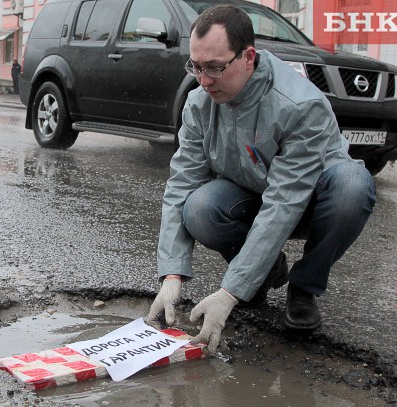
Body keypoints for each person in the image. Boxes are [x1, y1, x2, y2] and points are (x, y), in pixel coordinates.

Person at [146, 5, 376, 354]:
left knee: (353, 187)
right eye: (196, 66)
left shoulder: (300, 106)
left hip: (312, 200)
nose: (204, 80)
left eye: (215, 68)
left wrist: (229, 292)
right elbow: (182, 184)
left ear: (248, 57)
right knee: (200, 207)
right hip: (254, 193)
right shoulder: (198, 104)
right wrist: (172, 274)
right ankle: (265, 271)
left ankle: (304, 287)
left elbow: (284, 202)